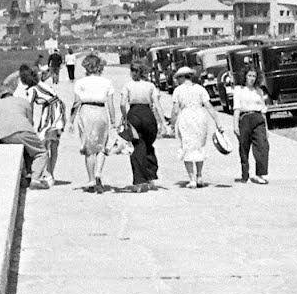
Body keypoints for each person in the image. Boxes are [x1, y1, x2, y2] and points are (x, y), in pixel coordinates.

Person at [0, 82, 48, 188]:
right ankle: (35, 179)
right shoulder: (24, 102)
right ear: (12, 95)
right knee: (41, 152)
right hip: (24, 131)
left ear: (2, 97)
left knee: (26, 150)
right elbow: (30, 122)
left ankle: (25, 176)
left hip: (3, 136)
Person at [170, 65, 225, 188]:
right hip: (200, 117)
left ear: (183, 78)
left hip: (186, 117)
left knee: (187, 146)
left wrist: (172, 124)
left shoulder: (178, 90)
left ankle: (192, 179)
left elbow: (175, 110)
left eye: (178, 78)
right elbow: (209, 106)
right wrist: (217, 122)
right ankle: (199, 175)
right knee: (199, 146)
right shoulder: (200, 89)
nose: (177, 80)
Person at [71, 52, 118, 193]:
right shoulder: (107, 82)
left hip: (86, 112)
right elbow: (110, 103)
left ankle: (91, 179)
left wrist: (70, 121)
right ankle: (98, 173)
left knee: (89, 148)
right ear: (99, 66)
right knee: (102, 145)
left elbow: (76, 102)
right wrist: (113, 121)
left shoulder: (80, 82)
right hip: (101, 111)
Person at [120, 60, 162, 191]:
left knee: (137, 146)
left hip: (134, 113)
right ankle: (150, 177)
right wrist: (162, 122)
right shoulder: (150, 86)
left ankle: (139, 181)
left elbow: (122, 104)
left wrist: (125, 117)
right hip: (148, 114)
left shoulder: (128, 85)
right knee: (148, 145)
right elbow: (157, 104)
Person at [29, 60, 67, 187]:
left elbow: (29, 106)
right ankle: (51, 173)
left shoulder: (33, 89)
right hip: (59, 110)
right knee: (54, 144)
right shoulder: (43, 85)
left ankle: (47, 174)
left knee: (43, 143)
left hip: (50, 113)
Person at [231, 67, 270, 184]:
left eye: (254, 76)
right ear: (245, 76)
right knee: (244, 147)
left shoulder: (259, 91)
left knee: (262, 146)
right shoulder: (239, 90)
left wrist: (266, 128)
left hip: (258, 118)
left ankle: (260, 174)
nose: (252, 79)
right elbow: (236, 109)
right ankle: (245, 174)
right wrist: (235, 126)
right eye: (249, 76)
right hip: (245, 118)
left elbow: (263, 111)